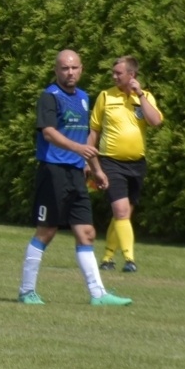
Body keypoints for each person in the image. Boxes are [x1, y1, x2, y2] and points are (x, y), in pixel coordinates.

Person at [18, 49, 131, 307]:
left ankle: (98, 294)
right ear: (56, 71)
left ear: (81, 69)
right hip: (53, 172)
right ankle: (26, 291)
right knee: (46, 232)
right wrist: (78, 150)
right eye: (65, 68)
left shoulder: (82, 97)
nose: (70, 72)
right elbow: (48, 133)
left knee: (87, 233)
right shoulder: (50, 97)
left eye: (74, 68)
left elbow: (84, 141)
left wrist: (97, 168)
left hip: (76, 174)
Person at [90, 56, 163, 273]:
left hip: (137, 164)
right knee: (121, 211)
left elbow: (156, 121)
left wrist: (140, 95)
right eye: (113, 73)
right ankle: (130, 260)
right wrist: (90, 162)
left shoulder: (145, 97)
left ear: (131, 75)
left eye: (118, 73)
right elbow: (94, 131)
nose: (114, 76)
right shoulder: (105, 96)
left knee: (123, 214)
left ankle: (107, 258)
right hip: (111, 162)